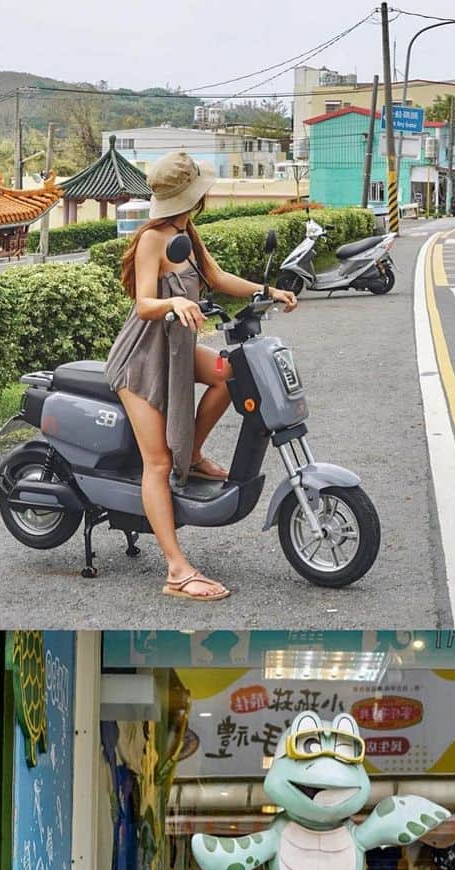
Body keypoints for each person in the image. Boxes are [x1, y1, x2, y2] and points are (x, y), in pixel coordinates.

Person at [105, 150, 298, 602]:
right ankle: (176, 570)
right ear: (189, 197)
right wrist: (173, 303)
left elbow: (215, 276)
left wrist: (268, 290)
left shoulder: (184, 231)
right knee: (157, 463)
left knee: (230, 374)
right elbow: (144, 305)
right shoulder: (154, 238)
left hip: (177, 349)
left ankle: (190, 454)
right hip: (142, 357)